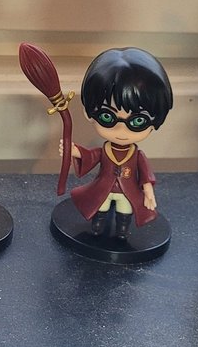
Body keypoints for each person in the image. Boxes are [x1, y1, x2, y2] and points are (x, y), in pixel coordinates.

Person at [65, 48, 173, 240]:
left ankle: (122, 230)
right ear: (89, 112)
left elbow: (146, 175)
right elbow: (92, 156)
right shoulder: (105, 150)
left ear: (157, 120)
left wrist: (148, 190)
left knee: (125, 211)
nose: (121, 131)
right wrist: (74, 151)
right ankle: (97, 226)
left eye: (137, 121)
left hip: (127, 191)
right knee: (101, 208)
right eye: (107, 117)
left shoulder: (137, 156)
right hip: (104, 189)